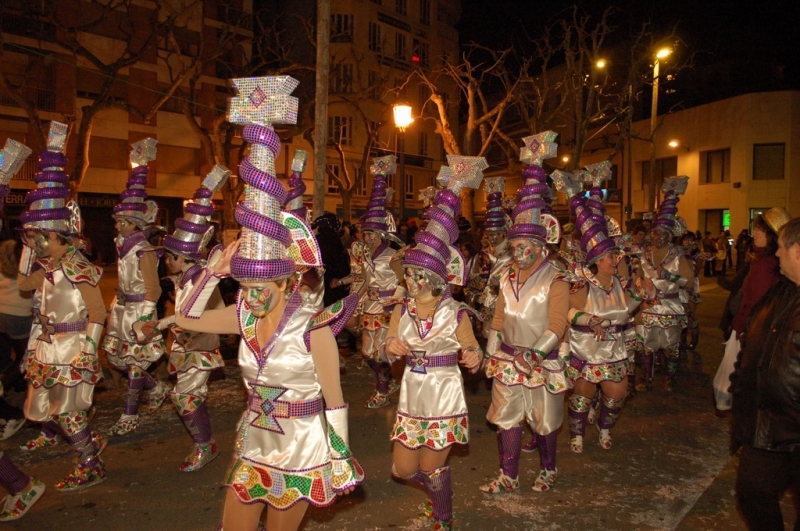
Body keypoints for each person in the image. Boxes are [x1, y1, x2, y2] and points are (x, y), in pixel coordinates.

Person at [174, 105, 363, 530]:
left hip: (302, 446)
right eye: (242, 288)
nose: (250, 298)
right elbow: (186, 317)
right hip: (255, 443)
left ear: (286, 284)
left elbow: (334, 399)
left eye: (259, 290)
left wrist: (339, 458)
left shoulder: (313, 328)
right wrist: (211, 272)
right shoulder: (242, 314)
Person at [385, 161, 484, 531]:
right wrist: (390, 346)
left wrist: (474, 356)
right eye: (408, 273)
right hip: (412, 399)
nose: (410, 279)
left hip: (443, 398)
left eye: (417, 274)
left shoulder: (455, 313)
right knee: (401, 469)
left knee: (431, 466)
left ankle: (443, 517)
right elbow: (389, 342)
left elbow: (474, 351)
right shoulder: (401, 308)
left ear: (435, 279)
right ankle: (437, 497)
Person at [17, 122, 107, 491]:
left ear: (53, 234)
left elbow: (98, 312)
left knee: (68, 414)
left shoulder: (76, 264)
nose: (32, 241)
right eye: (29, 236)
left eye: (35, 236)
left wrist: (88, 349)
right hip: (46, 349)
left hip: (72, 350)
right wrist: (27, 255)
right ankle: (89, 444)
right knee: (44, 409)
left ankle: (90, 462)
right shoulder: (46, 266)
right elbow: (24, 287)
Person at [481, 160, 570, 493]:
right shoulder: (506, 277)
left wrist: (534, 355)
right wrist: (490, 352)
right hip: (507, 358)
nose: (517, 254)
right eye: (514, 248)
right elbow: (500, 319)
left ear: (540, 248)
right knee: (507, 417)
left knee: (543, 420)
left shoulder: (557, 279)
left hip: (541, 360)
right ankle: (508, 474)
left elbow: (559, 324)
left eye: (524, 248)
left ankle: (548, 468)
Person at [140, 167, 230, 472]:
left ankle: (206, 445)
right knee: (186, 397)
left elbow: (192, 314)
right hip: (185, 345)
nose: (167, 260)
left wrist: (165, 324)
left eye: (171, 256)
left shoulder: (198, 280)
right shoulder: (186, 279)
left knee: (184, 398)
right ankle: (205, 443)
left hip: (200, 345)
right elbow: (182, 315)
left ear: (187, 259)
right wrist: (161, 325)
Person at [731, 216, 800, 530]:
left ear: (797, 251)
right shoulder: (782, 291)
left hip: (793, 425)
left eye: (782, 248)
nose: (777, 254)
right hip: (767, 426)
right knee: (752, 493)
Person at [565, 189, 642, 453]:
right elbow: (569, 313)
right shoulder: (582, 285)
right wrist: (590, 319)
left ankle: (604, 427)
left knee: (616, 395)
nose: (616, 261)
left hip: (615, 350)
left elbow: (628, 310)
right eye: (611, 257)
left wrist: (644, 294)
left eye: (616, 257)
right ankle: (577, 434)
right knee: (582, 397)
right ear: (597, 261)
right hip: (588, 350)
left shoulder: (622, 283)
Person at [103, 138, 168, 436]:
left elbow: (153, 289)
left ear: (135, 223)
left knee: (134, 365)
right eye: (117, 221)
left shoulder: (143, 250)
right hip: (123, 309)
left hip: (139, 311)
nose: (118, 225)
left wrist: (144, 318)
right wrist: (116, 306)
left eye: (123, 222)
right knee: (123, 361)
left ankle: (130, 413)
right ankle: (156, 389)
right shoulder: (121, 246)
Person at [330, 157, 406, 409]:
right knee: (366, 352)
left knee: (382, 352)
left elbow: (406, 281)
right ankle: (391, 378)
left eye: (372, 235)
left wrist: (396, 301)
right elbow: (361, 277)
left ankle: (383, 388)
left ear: (382, 234)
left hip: (389, 307)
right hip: (370, 306)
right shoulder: (362, 253)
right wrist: (342, 282)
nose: (368, 238)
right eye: (365, 234)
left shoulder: (395, 255)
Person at [714, 208, 789, 412]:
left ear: (771, 237)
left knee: (737, 387)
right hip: (751, 333)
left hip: (749, 334)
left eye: (759, 230)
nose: (754, 233)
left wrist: (740, 328)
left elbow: (756, 305)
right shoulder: (765, 261)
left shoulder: (765, 265)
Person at [637, 178, 694, 392]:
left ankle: (670, 377)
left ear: (669, 236)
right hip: (649, 308)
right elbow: (638, 279)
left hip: (671, 307)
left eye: (661, 233)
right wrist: (639, 287)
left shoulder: (678, 257)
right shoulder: (645, 255)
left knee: (671, 347)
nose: (656, 236)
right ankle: (647, 378)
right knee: (647, 347)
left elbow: (688, 284)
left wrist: (670, 277)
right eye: (654, 232)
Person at [0, 240, 30, 440]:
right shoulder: (24, 266)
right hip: (19, 314)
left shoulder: (3, 266)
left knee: (13, 354)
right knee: (25, 358)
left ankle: (17, 384)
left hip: (2, 311)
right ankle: (3, 385)